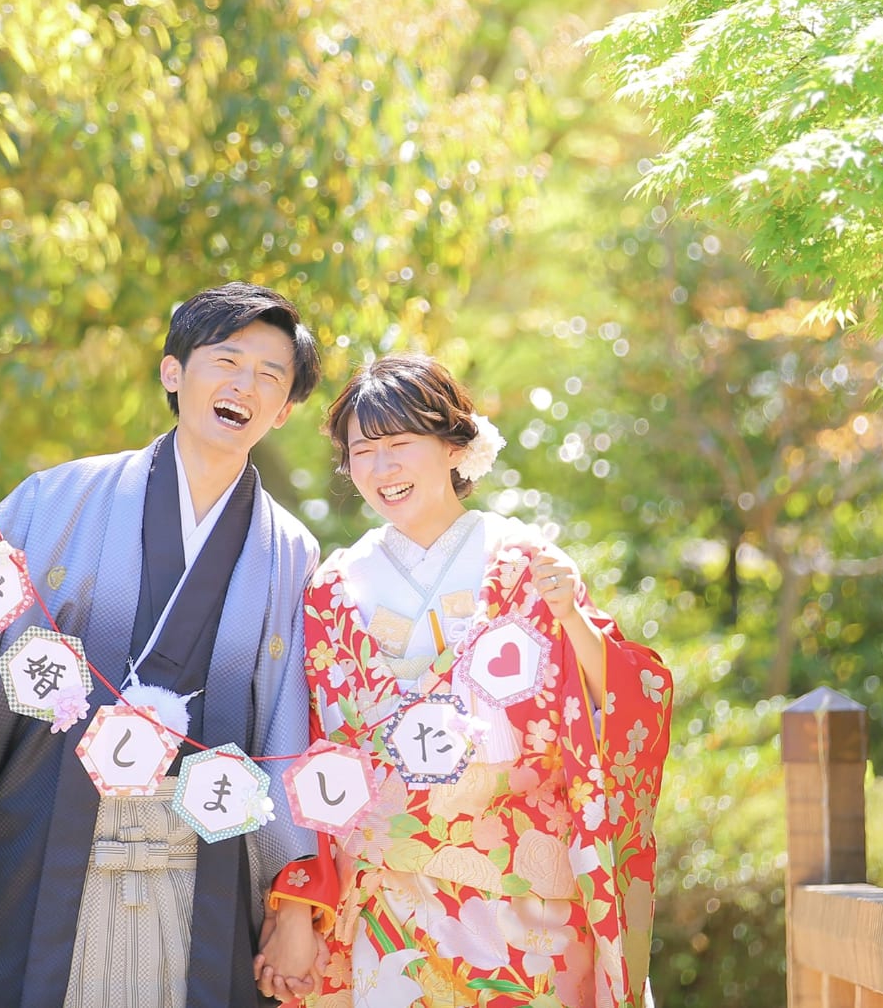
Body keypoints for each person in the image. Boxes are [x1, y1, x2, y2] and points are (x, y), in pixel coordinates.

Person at [0, 283, 331, 1006]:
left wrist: (292, 906)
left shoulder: (289, 549)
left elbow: (289, 730)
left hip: (210, 855)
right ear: (173, 371)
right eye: (226, 361)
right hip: (52, 836)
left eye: (270, 375)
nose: (244, 386)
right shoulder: (61, 497)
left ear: (285, 409)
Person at [273, 354, 672, 1008]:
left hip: (524, 903)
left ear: (454, 445)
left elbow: (625, 704)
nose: (382, 468)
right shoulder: (332, 590)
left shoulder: (524, 564)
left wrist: (572, 619)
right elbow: (312, 753)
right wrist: (298, 903)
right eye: (362, 451)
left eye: (400, 444)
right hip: (391, 903)